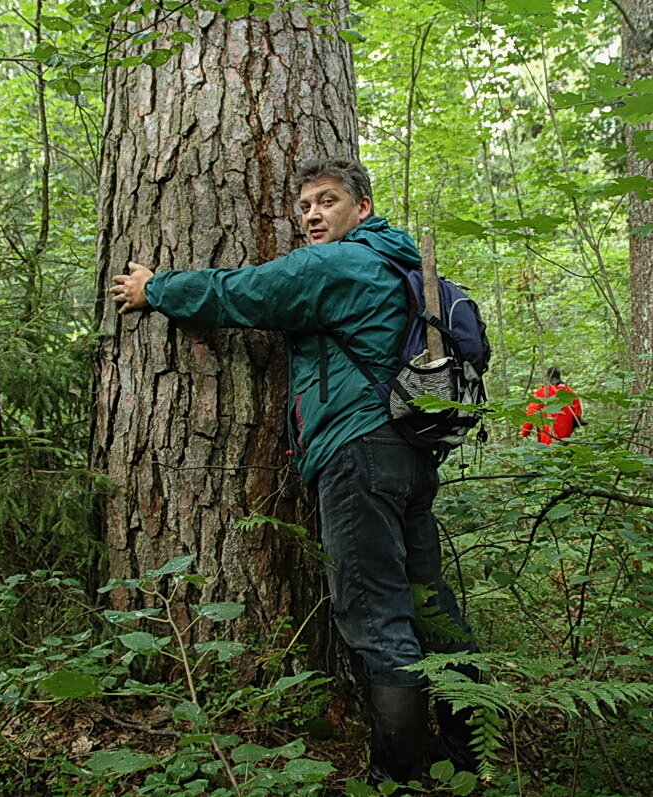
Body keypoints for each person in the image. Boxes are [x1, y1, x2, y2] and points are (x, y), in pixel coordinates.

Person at [110, 158, 479, 784]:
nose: (312, 214)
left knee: (376, 616)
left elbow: (246, 291)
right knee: (430, 609)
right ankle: (472, 759)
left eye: (328, 201)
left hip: (358, 453)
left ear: (362, 208)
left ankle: (400, 778)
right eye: (305, 204)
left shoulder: (342, 264)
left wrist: (157, 289)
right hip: (410, 455)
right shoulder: (403, 266)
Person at [520, 366, 584, 444]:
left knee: (549, 453)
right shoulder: (569, 392)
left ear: (548, 378)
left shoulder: (542, 392)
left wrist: (525, 431)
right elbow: (577, 414)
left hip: (548, 436)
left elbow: (531, 413)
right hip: (566, 436)